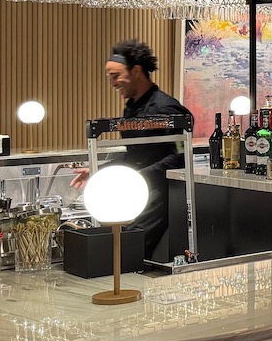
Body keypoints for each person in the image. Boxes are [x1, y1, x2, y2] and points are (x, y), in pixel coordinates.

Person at [75, 39, 192, 261]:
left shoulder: (165, 107)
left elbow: (180, 156)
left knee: (127, 252)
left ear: (136, 71)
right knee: (117, 247)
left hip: (162, 196)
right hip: (139, 191)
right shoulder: (132, 108)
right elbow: (134, 155)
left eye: (116, 75)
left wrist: (139, 176)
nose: (112, 83)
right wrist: (99, 170)